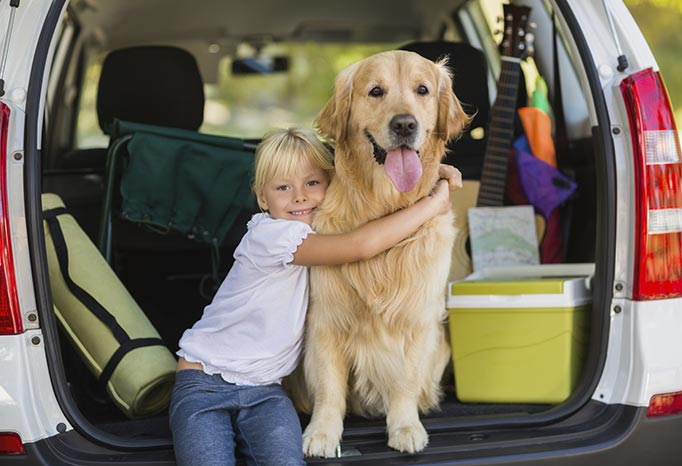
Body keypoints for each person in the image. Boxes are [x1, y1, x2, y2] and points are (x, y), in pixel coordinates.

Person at [168, 127, 462, 466]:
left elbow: (360, 171)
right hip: (204, 382)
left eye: (312, 183)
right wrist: (433, 204)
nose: (299, 197)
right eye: (282, 187)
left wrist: (424, 170)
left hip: (265, 391)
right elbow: (361, 246)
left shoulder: (315, 226)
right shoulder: (270, 236)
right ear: (262, 199)